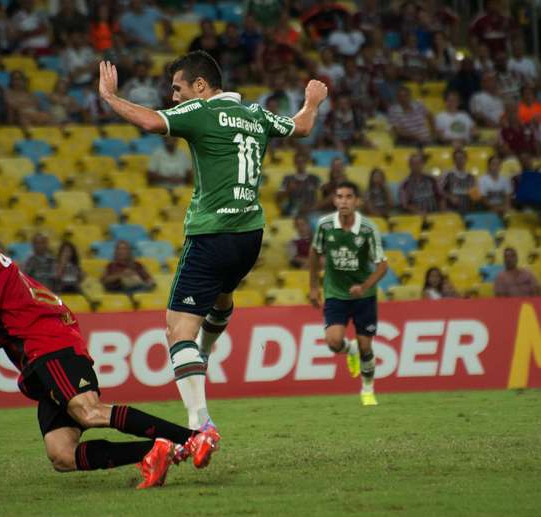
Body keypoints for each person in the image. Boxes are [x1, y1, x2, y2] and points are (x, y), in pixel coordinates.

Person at [0, 195, 219, 488]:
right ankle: (159, 450)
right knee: (62, 455)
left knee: (89, 412)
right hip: (40, 357)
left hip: (52, 348)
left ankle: (192, 439)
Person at [97, 50, 328, 432]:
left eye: (178, 88)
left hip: (212, 234)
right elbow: (301, 127)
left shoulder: (201, 111)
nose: (174, 97)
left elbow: (153, 122)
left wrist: (110, 97)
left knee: (177, 331)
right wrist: (312, 101)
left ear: (200, 86)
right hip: (250, 236)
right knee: (222, 294)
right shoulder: (256, 114)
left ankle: (200, 423)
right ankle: (203, 354)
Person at [309, 181, 387, 406]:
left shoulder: (368, 229)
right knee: (333, 342)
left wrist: (363, 286)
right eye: (339, 196)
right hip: (335, 292)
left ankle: (368, 389)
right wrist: (314, 287)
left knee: (366, 346)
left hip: (364, 296)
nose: (344, 201)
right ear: (334, 201)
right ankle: (349, 348)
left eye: (349, 197)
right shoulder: (324, 226)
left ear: (357, 201)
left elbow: (382, 266)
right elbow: (315, 253)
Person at [277, 150, 320, 216]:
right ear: (295, 163)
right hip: (293, 210)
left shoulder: (314, 178)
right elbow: (278, 197)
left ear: (306, 163)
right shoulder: (288, 179)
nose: (300, 164)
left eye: (303, 162)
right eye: (298, 162)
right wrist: (288, 190)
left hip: (310, 210)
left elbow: (320, 195)